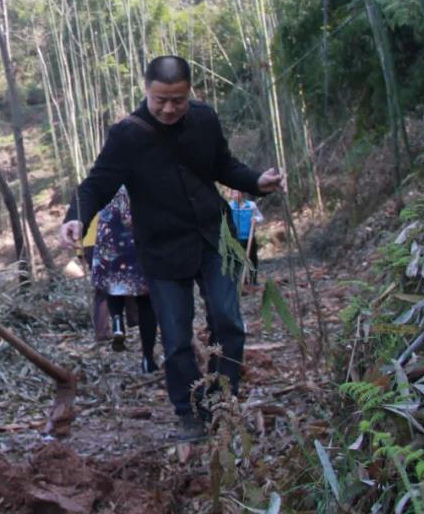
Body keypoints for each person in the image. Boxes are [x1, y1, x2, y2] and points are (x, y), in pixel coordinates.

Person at [60, 55, 283, 441]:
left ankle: (224, 401)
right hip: (162, 249)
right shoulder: (126, 135)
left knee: (228, 322)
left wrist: (256, 181)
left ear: (189, 92)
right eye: (160, 99)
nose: (168, 108)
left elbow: (224, 166)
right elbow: (97, 183)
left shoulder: (204, 119)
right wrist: (76, 216)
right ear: (146, 91)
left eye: (177, 100)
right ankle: (190, 414)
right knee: (177, 337)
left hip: (214, 236)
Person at [90, 186, 159, 374]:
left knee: (113, 285)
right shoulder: (142, 174)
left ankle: (118, 322)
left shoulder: (106, 178)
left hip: (109, 237)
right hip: (138, 239)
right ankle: (147, 359)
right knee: (146, 300)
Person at [229, 189, 264, 288]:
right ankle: (243, 282)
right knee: (239, 260)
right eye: (233, 193)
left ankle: (254, 280)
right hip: (237, 238)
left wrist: (256, 219)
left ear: (242, 193)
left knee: (253, 259)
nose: (235, 195)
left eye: (237, 192)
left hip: (250, 237)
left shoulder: (251, 205)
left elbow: (261, 217)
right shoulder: (230, 206)